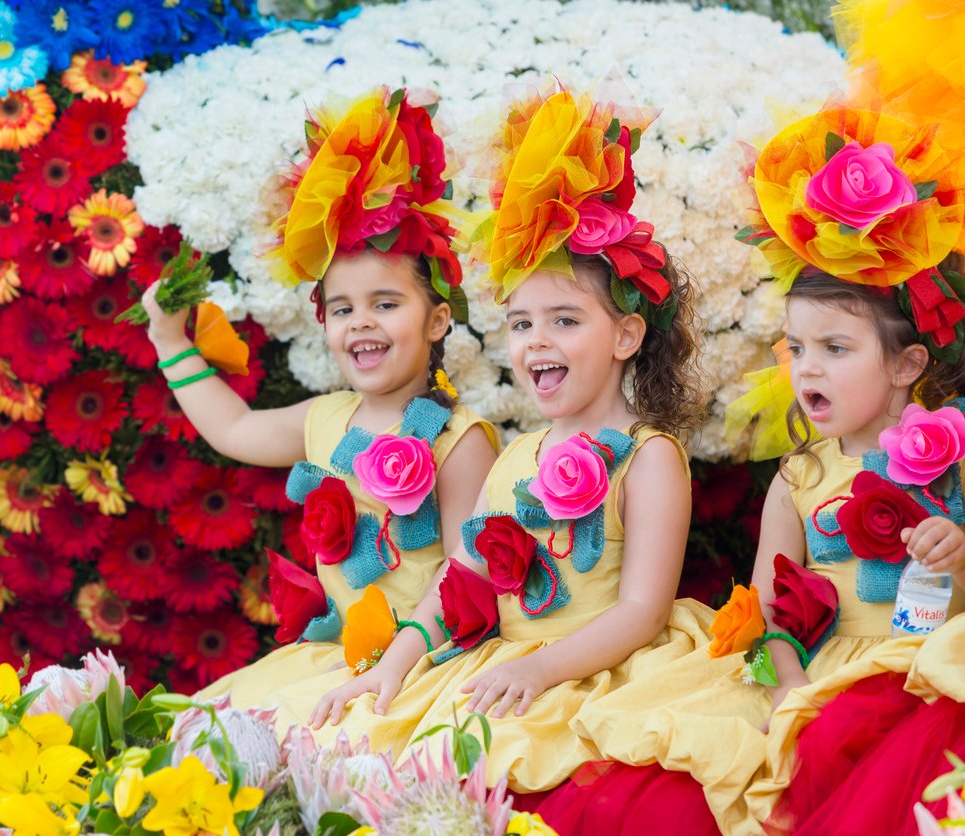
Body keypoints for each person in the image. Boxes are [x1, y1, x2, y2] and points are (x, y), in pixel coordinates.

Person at [538, 27, 965, 832]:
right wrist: (785, 692)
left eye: (836, 350)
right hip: (821, 681)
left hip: (931, 671)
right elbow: (772, 619)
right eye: (796, 348)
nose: (807, 371)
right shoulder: (799, 481)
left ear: (908, 364)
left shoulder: (956, 462)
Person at [283, 79, 714, 800]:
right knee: (369, 750)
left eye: (565, 321)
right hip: (508, 663)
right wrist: (394, 663)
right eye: (520, 323)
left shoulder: (650, 457)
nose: (536, 340)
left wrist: (537, 670)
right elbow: (463, 576)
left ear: (627, 335)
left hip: (594, 670)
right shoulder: (516, 455)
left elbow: (641, 610)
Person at [142, 87, 500, 711]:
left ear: (439, 320)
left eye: (385, 305)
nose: (361, 322)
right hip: (336, 656)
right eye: (342, 309)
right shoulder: (325, 418)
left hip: (422, 662)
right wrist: (169, 340)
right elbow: (235, 430)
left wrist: (396, 666)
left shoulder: (457, 439)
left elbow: (463, 572)